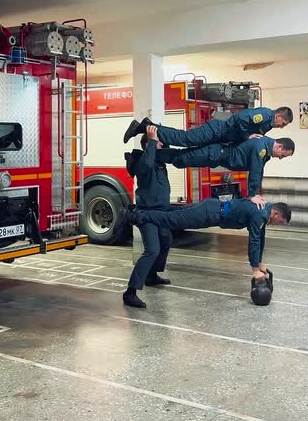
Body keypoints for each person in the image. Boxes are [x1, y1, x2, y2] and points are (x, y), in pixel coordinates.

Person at [124, 197, 291, 281]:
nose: (277, 224)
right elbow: (254, 241)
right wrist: (254, 269)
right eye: (280, 222)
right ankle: (135, 216)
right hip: (209, 214)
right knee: (172, 220)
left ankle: (138, 211)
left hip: (212, 207)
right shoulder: (261, 214)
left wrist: (259, 263)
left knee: (173, 213)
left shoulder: (265, 208)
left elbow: (260, 238)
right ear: (276, 214)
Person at [123, 125, 173, 309]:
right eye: (158, 143)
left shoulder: (159, 162)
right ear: (148, 146)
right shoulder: (142, 163)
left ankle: (151, 275)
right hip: (147, 213)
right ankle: (130, 293)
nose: (161, 145)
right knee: (152, 250)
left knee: (166, 240)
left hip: (162, 212)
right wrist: (151, 141)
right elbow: (146, 166)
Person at [154, 133, 295, 196]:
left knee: (181, 158)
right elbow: (256, 171)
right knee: (181, 159)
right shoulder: (261, 148)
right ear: (279, 147)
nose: (280, 158)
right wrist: (252, 195)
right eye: (283, 155)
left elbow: (259, 171)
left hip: (216, 155)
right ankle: (151, 151)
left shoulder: (264, 145)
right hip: (214, 153)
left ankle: (156, 152)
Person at [123, 106, 293, 148]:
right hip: (217, 130)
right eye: (283, 123)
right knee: (185, 139)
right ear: (279, 116)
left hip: (221, 137)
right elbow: (240, 119)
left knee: (185, 138)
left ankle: (149, 126)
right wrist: (246, 136)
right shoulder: (264, 115)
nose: (281, 127)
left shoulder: (268, 125)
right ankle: (144, 127)